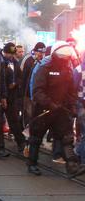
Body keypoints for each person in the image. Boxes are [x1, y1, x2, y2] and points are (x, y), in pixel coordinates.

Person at [27, 41, 85, 177]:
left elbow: (71, 91)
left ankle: (72, 167)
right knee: (36, 137)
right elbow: (37, 91)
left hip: (61, 110)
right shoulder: (44, 68)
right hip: (43, 110)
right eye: (62, 55)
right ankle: (32, 163)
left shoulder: (67, 70)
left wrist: (72, 106)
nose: (65, 58)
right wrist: (49, 103)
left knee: (66, 138)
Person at [2, 42, 26, 152]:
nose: (11, 56)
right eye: (9, 53)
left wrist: (15, 83)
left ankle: (20, 142)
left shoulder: (15, 63)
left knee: (14, 120)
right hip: (0, 96)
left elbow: (21, 77)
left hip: (12, 96)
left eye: (12, 53)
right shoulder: (0, 62)